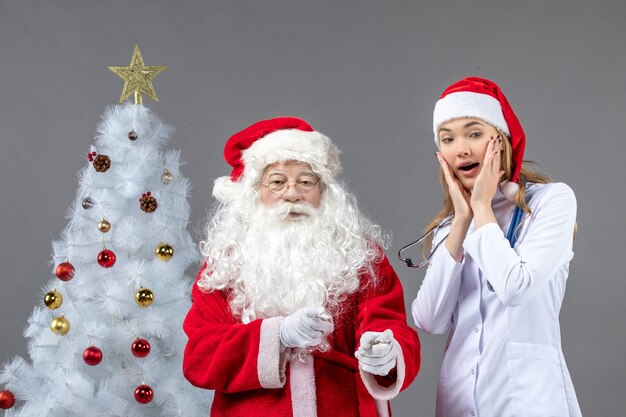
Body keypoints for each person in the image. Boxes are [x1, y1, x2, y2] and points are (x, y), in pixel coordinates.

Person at [183, 117, 420, 417]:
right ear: (254, 192)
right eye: (278, 181)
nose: (292, 194)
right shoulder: (226, 266)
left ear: (324, 191)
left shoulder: (360, 255)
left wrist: (386, 353)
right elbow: (200, 356)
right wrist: (277, 335)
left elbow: (390, 323)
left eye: (306, 181)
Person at [411, 77, 582, 417]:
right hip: (458, 402)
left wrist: (482, 208)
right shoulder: (451, 227)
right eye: (448, 139)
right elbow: (429, 319)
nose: (461, 148)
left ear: (500, 139)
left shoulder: (550, 202)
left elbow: (516, 287)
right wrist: (462, 219)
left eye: (474, 133)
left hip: (529, 400)